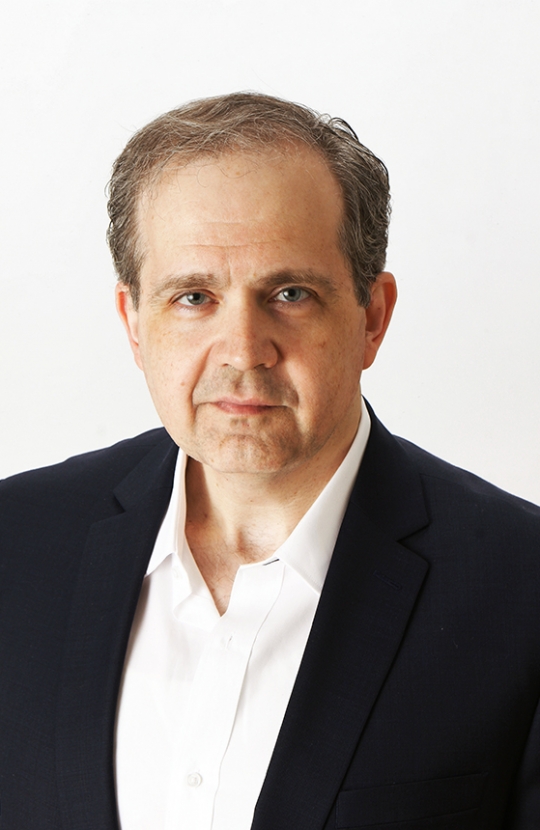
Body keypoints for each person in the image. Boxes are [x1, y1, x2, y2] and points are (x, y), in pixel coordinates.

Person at [0, 92, 539, 830]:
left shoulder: (521, 588)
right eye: (193, 297)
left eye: (290, 293)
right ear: (134, 324)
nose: (244, 352)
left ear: (372, 317)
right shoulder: (16, 545)